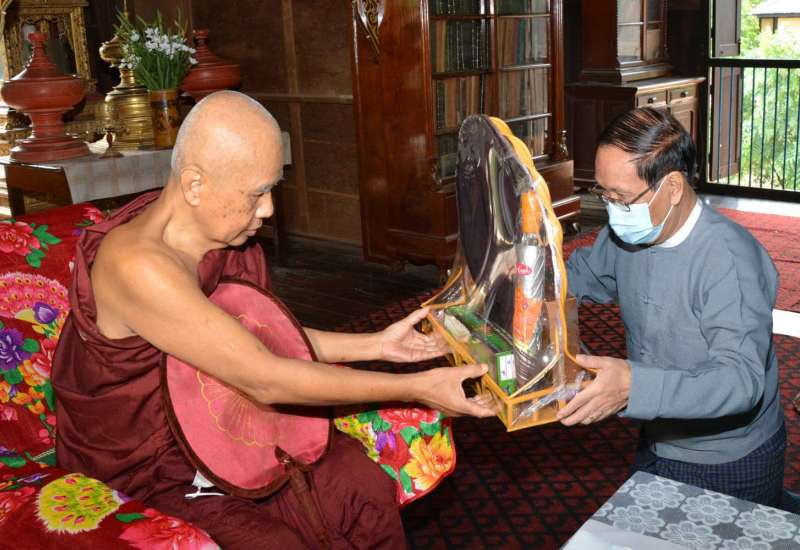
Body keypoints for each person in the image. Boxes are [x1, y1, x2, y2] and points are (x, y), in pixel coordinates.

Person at [52, 90, 495, 549]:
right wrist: (416, 387)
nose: (268, 209)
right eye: (256, 193)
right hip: (152, 469)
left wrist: (379, 344)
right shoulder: (139, 266)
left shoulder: (215, 237)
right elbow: (264, 377)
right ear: (195, 185)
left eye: (271, 190)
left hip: (226, 423)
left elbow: (253, 342)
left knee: (361, 489)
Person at [557, 107, 786, 507]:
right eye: (603, 194)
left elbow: (740, 380)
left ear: (674, 187)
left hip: (729, 458)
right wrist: (532, 282)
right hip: (657, 430)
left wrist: (634, 387)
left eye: (621, 197)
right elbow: (583, 275)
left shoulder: (729, 261)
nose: (611, 209)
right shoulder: (630, 233)